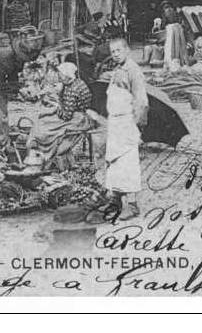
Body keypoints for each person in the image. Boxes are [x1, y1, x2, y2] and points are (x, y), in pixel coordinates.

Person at [97, 36, 147, 220]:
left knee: (128, 162)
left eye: (119, 50)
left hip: (127, 122)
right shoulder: (118, 69)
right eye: (112, 52)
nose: (115, 54)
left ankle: (132, 205)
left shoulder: (133, 70)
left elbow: (141, 101)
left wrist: (137, 125)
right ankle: (115, 199)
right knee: (114, 160)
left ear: (127, 50)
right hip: (115, 121)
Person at [24, 62, 95, 171]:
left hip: (78, 120)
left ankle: (43, 149)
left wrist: (57, 103)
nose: (60, 76)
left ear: (67, 75)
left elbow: (66, 116)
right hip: (82, 114)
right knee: (45, 117)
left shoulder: (71, 90)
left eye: (61, 74)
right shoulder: (78, 82)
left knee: (45, 126)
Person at [160, 1, 188, 68]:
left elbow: (163, 24)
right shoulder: (175, 12)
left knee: (170, 46)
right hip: (178, 29)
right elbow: (181, 22)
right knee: (179, 47)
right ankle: (181, 61)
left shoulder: (165, 13)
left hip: (170, 30)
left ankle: (171, 62)